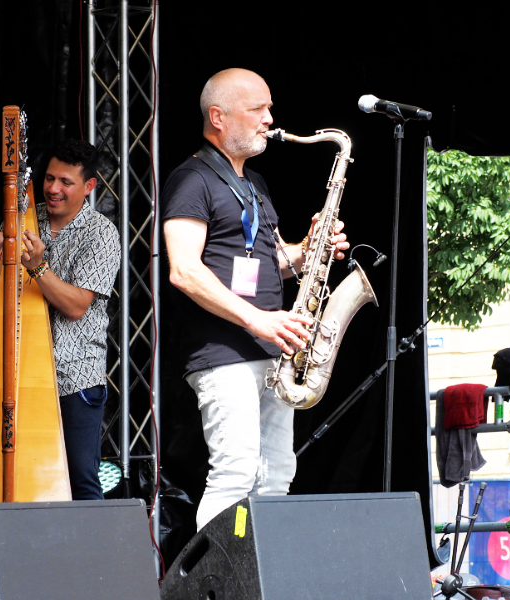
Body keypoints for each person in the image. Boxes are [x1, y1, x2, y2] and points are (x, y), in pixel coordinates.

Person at [161, 68, 349, 530]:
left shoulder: (255, 185)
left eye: (269, 108)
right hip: (224, 354)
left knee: (278, 474)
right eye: (258, 108)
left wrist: (310, 251)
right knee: (234, 474)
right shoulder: (192, 180)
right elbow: (184, 271)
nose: (270, 118)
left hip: (273, 353)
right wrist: (258, 320)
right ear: (218, 117)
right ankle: (215, 584)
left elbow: (270, 263)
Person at [0, 139, 120, 500]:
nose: (53, 188)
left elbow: (76, 306)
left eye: (66, 182)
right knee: (12, 483)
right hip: (15, 375)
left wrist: (37, 267)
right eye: (49, 179)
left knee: (80, 482)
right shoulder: (21, 220)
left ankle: (86, 558)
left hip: (75, 376)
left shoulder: (101, 234)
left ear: (89, 187)